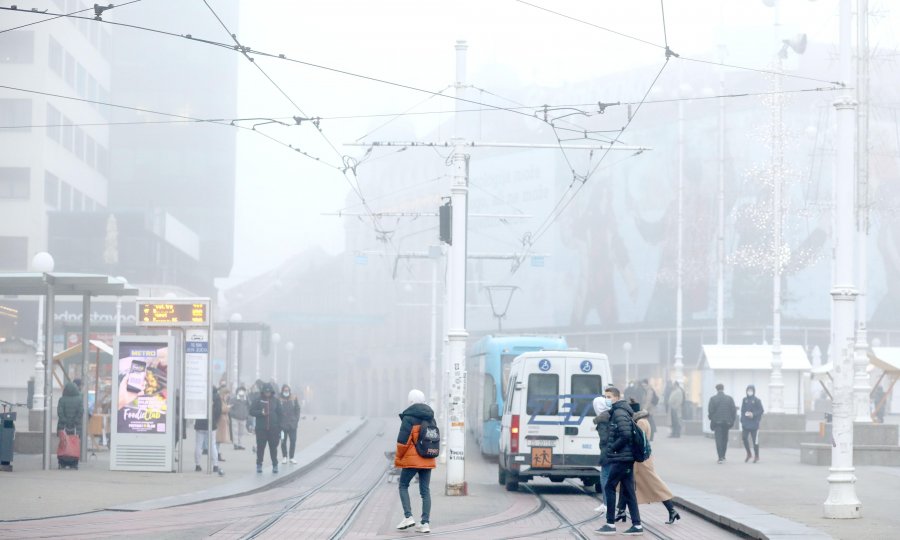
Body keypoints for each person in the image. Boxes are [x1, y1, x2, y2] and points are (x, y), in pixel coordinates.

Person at [614, 399, 681, 525]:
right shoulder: (641, 421)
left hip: (641, 461)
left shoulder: (641, 423)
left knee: (655, 486)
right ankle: (621, 511)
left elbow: (636, 441)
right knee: (625, 483)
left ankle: (672, 510)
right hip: (639, 459)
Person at [595, 386, 643, 536]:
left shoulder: (619, 412)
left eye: (609, 397)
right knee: (629, 491)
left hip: (622, 457)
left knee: (609, 487)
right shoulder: (620, 411)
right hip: (625, 457)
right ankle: (637, 525)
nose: (607, 400)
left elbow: (625, 435)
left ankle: (610, 524)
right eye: (605, 397)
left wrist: (613, 449)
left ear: (617, 397)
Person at [394, 389, 436, 534]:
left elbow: (402, 442)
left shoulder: (408, 417)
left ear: (410, 401)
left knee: (403, 485)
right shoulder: (431, 417)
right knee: (425, 491)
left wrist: (398, 457)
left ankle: (408, 516)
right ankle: (425, 523)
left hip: (412, 460)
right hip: (428, 457)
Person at [250, 382, 282, 473]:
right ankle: (259, 465)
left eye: (269, 392)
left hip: (273, 429)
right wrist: (260, 413)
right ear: (263, 392)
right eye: (265, 392)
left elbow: (280, 414)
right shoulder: (258, 400)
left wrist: (279, 428)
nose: (267, 393)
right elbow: (251, 411)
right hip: (261, 429)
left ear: (271, 392)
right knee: (260, 448)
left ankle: (275, 465)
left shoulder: (276, 401)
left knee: (273, 448)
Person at [194, 385, 224, 475]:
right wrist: (214, 419)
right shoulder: (216, 397)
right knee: (212, 445)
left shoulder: (200, 395)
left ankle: (197, 465)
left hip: (200, 423)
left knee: (198, 445)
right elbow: (218, 411)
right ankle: (215, 465)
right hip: (211, 424)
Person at [592, 395, 613, 514]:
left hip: (608, 453)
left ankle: (606, 503)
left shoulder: (602, 420)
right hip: (612, 453)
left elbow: (605, 439)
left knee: (604, 478)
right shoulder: (610, 415)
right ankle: (608, 503)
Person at [708, 383, 737, 464]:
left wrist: (711, 418)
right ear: (723, 389)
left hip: (717, 422)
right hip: (727, 422)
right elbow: (733, 411)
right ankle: (723, 456)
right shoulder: (729, 399)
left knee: (718, 440)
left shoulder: (713, 399)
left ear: (716, 389)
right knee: (725, 439)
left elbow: (710, 411)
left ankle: (720, 457)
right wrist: (732, 420)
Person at [57, 381, 83, 469]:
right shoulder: (79, 399)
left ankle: (62, 462)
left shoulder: (62, 399)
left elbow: (60, 412)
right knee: (74, 443)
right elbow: (81, 412)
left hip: (63, 426)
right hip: (76, 426)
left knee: (63, 443)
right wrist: (75, 421)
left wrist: (65, 421)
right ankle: (74, 463)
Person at [740, 384, 765, 463]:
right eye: (748, 390)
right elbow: (742, 410)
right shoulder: (744, 400)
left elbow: (761, 410)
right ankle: (749, 453)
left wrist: (753, 414)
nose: (749, 392)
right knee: (744, 438)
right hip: (746, 424)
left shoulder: (757, 400)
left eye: (751, 390)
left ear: (754, 391)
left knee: (755, 441)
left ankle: (756, 456)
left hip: (754, 424)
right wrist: (742, 419)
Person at [279, 384, 301, 464]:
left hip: (292, 425)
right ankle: (284, 457)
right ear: (282, 391)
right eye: (285, 390)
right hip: (282, 426)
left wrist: (296, 419)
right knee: (283, 441)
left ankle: (291, 457)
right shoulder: (279, 399)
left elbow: (297, 409)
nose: (286, 392)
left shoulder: (294, 398)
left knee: (293, 441)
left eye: (287, 390)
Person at [216, 387, 232, 461]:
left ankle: (217, 454)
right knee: (217, 440)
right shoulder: (220, 400)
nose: (227, 396)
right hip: (220, 422)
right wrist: (227, 408)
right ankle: (216, 454)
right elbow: (221, 409)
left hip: (222, 421)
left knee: (218, 440)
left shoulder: (223, 400)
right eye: (227, 394)